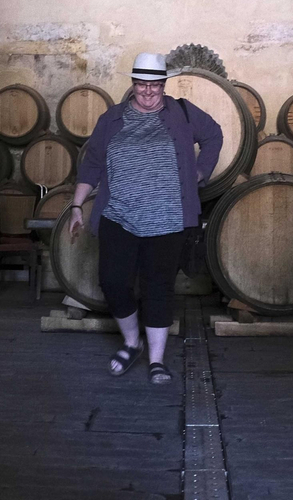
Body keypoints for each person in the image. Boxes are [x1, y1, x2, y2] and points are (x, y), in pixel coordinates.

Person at [68, 52, 222, 385]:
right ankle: (131, 342)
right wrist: (77, 206)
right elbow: (92, 165)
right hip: (119, 216)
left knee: (158, 288)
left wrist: (200, 171)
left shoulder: (182, 112)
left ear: (164, 84)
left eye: (155, 85)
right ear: (133, 84)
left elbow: (214, 135)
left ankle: (156, 360)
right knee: (113, 282)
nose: (148, 92)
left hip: (169, 219)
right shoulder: (111, 119)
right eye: (141, 84)